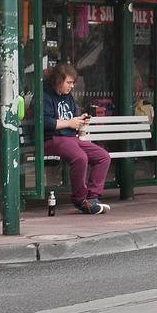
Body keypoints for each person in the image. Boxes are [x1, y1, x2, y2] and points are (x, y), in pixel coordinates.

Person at [43, 63, 112, 215]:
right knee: (80, 158)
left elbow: (72, 116)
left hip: (69, 137)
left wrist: (80, 120)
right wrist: (69, 123)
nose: (71, 86)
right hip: (52, 138)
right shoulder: (44, 96)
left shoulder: (68, 97)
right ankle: (80, 200)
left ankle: (93, 197)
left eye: (73, 83)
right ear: (58, 81)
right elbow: (45, 122)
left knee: (103, 156)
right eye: (68, 82)